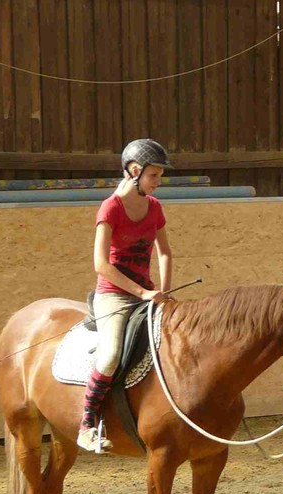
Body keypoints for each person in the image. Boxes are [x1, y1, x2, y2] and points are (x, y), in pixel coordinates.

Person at [77, 139, 175, 453]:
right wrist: (143, 292)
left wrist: (164, 291)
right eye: (153, 176)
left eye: (160, 176)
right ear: (134, 171)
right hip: (115, 296)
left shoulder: (155, 207)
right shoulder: (111, 208)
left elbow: (166, 254)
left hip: (148, 294)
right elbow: (101, 264)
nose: (158, 182)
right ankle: (87, 424)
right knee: (110, 355)